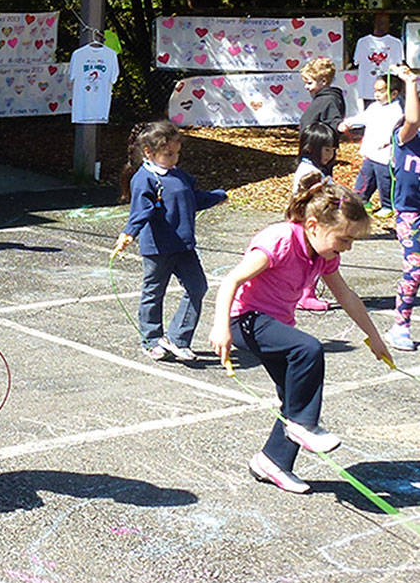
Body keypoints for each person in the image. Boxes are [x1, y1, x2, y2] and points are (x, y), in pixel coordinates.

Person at [208, 177, 391, 494]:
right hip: (245, 320)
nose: (346, 248)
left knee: (294, 395)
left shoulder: (324, 255)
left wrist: (375, 337)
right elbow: (231, 281)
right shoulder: (279, 240)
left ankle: (272, 461)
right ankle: (304, 425)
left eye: (351, 242)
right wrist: (220, 326)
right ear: (313, 225)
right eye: (343, 239)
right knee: (309, 350)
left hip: (276, 325)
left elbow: (347, 296)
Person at [111, 121, 226, 361]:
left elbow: (193, 199)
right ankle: (151, 339)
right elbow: (142, 210)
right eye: (169, 154)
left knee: (197, 287)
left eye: (177, 153)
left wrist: (217, 197)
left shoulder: (178, 175)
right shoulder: (146, 179)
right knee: (154, 292)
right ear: (149, 153)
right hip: (158, 248)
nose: (174, 159)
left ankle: (177, 338)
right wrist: (129, 233)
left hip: (184, 246)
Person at [385, 64, 420, 352]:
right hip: (410, 214)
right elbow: (412, 118)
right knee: (415, 269)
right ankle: (400, 325)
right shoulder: (405, 138)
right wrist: (410, 81)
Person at [338, 75, 402, 216]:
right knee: (365, 177)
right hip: (371, 152)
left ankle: (388, 205)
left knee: (384, 181)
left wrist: (389, 141)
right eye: (375, 91)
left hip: (384, 154)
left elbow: (398, 131)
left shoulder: (397, 111)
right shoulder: (374, 107)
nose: (376, 94)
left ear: (394, 93)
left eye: (381, 91)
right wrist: (349, 123)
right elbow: (362, 118)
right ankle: (362, 200)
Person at [291, 121, 339, 312]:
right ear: (311, 148)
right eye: (326, 150)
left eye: (333, 150)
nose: (330, 155)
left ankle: (304, 293)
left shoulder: (311, 168)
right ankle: (305, 294)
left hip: (312, 221)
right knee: (316, 256)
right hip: (311, 223)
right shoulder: (311, 173)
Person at [352, 11, 403, 107]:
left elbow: (399, 63)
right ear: (374, 23)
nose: (381, 24)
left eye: (384, 21)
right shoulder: (363, 42)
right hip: (368, 90)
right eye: (379, 21)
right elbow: (356, 61)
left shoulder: (396, 43)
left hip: (387, 91)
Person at [299, 58, 346, 145]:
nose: (306, 87)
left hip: (319, 148)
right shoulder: (320, 98)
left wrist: (339, 126)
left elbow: (332, 120)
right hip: (309, 145)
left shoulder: (329, 100)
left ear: (323, 81)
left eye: (309, 83)